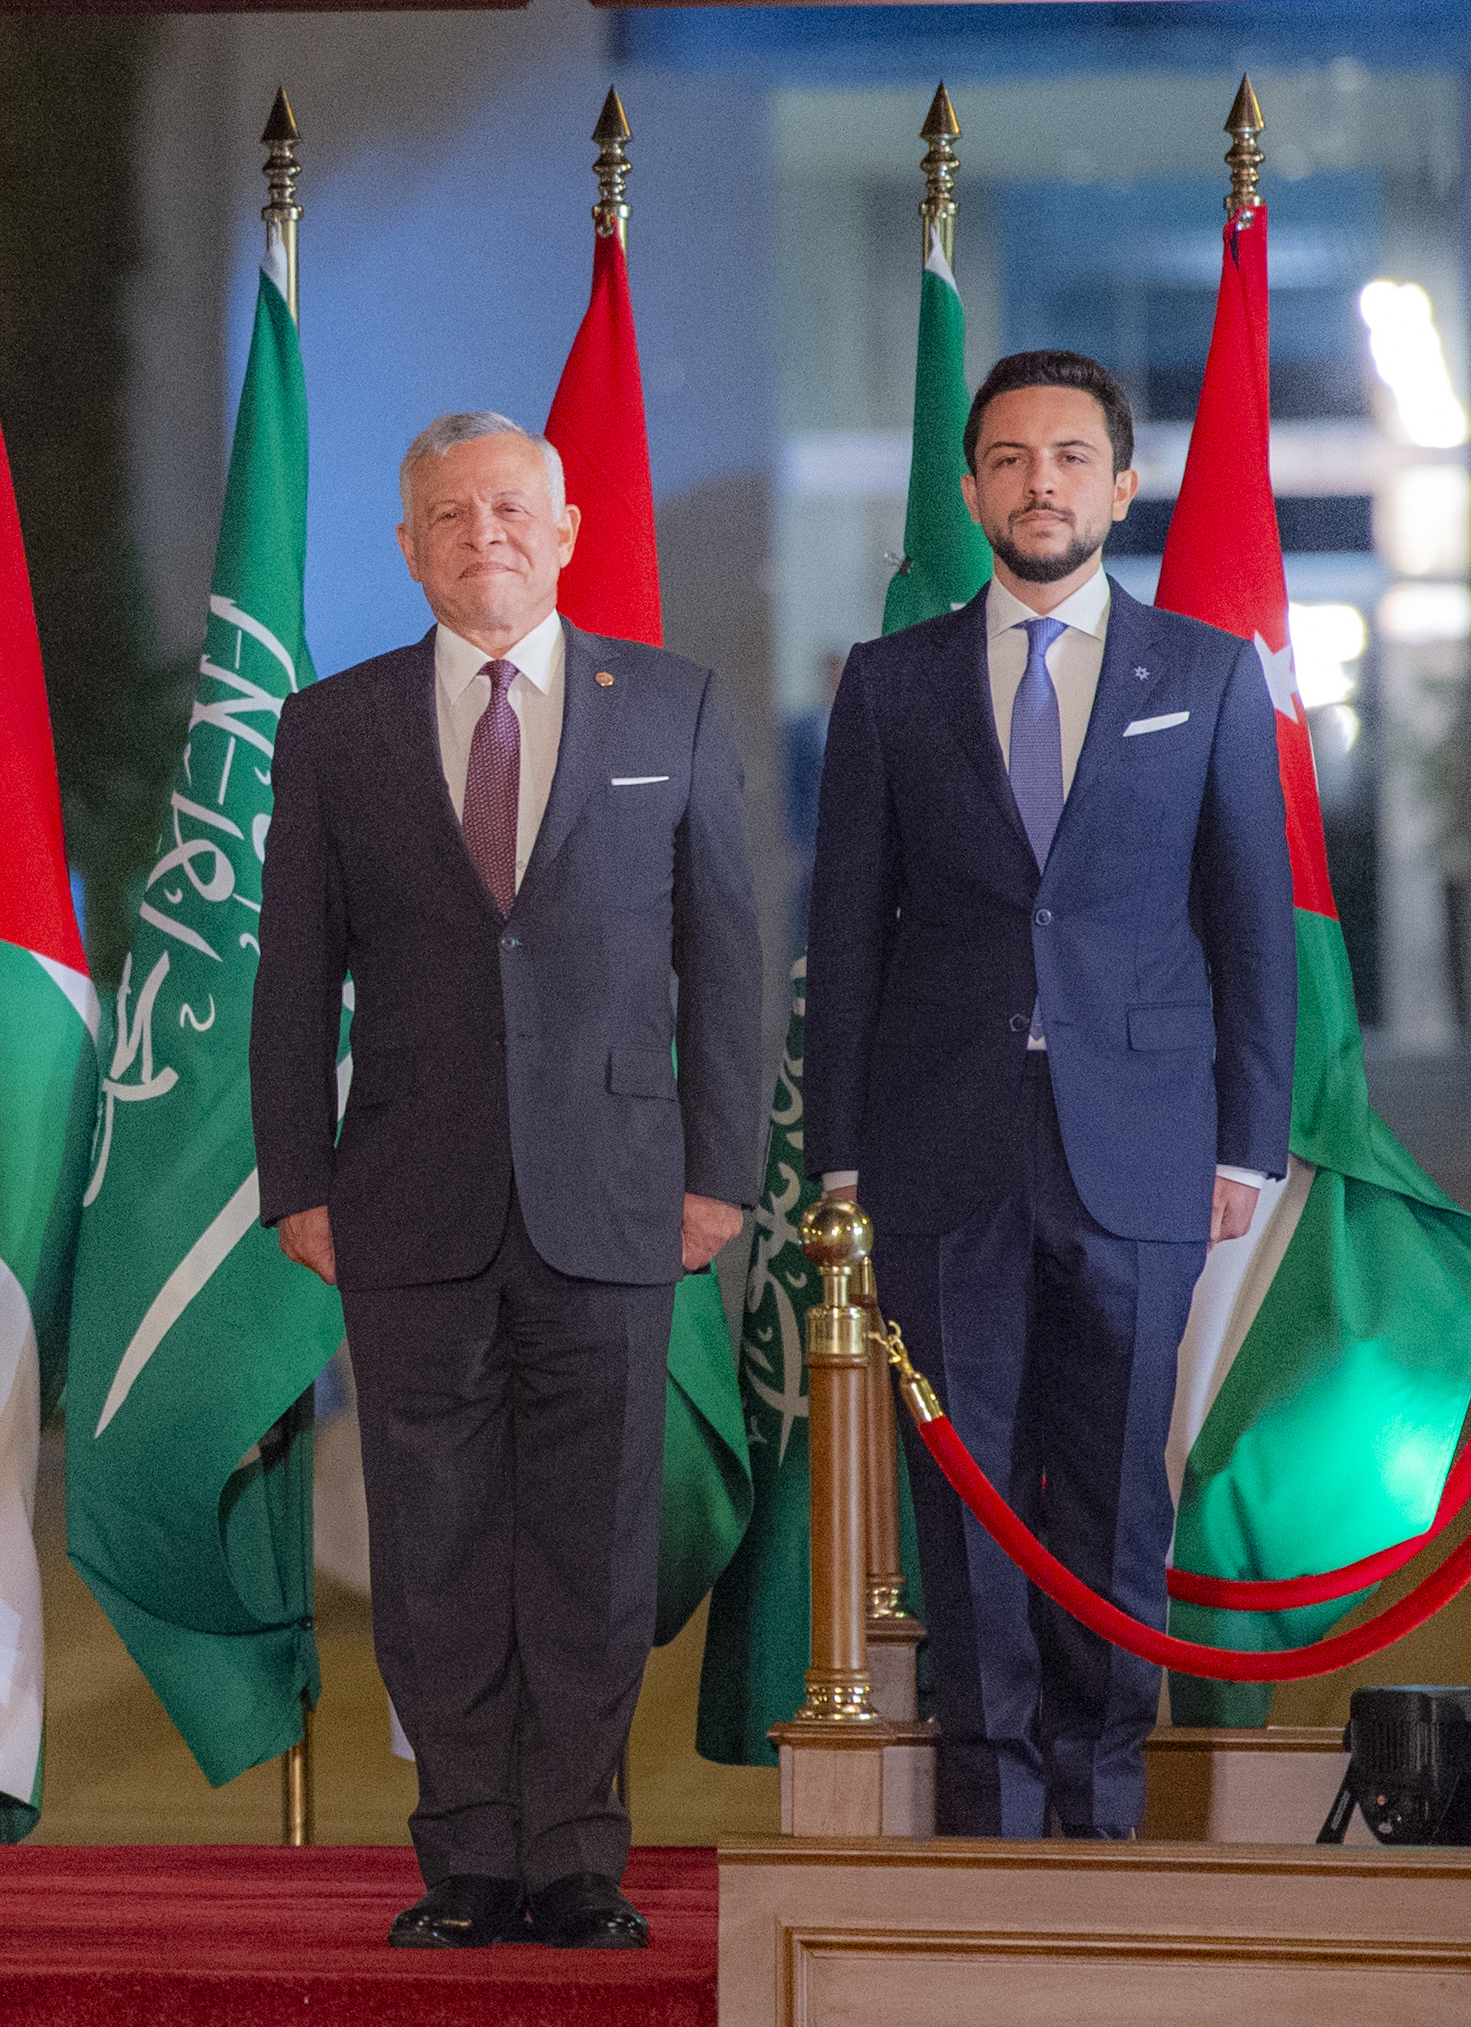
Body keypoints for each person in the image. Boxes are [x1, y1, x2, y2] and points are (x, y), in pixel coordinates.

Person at [251, 412, 762, 1949]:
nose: (486, 534)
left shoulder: (669, 703)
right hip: (402, 1204)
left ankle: (578, 1861)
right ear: (405, 547)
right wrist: (298, 1184)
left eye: (512, 509)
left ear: (568, 530)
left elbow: (723, 959)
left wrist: (721, 1176)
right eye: (450, 513)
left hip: (619, 1198)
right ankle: (469, 1858)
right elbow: (292, 983)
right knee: (436, 1543)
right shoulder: (331, 727)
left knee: (596, 1545)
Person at [806, 349, 1293, 1839]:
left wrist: (1249, 1148)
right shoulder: (890, 683)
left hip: (1145, 1152)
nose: (1040, 483)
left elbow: (1251, 923)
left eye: (1071, 457)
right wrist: (836, 1163)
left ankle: (1101, 1816)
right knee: (969, 1505)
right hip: (940, 1146)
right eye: (1010, 459)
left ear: (1122, 486)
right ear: (970, 491)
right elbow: (845, 930)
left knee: (1112, 1498)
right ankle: (990, 1822)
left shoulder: (1206, 675)